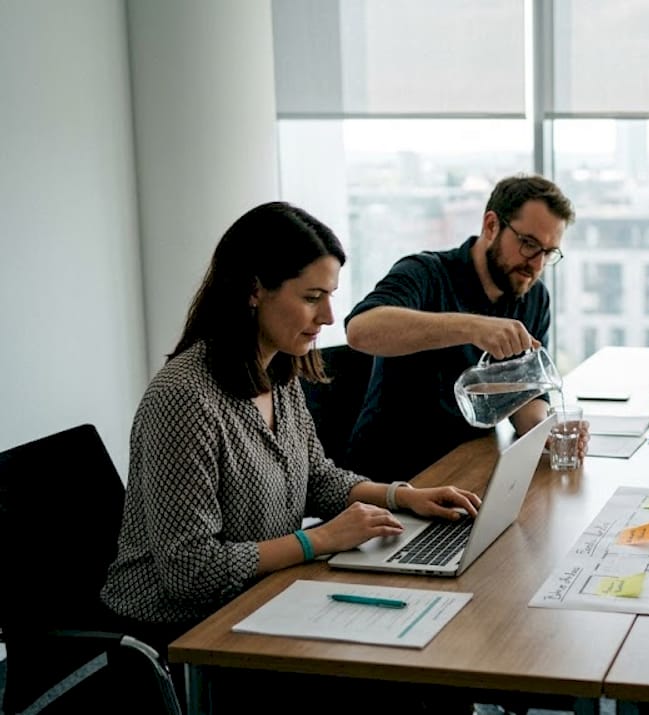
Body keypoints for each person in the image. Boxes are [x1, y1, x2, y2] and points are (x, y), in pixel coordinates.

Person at [100, 202, 481, 675]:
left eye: (331, 295)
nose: (327, 316)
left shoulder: (278, 373)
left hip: (262, 593)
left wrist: (404, 495)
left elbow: (316, 477)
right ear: (255, 289)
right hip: (182, 627)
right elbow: (189, 571)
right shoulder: (183, 399)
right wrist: (318, 540)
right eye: (312, 296)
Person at [345, 174, 588, 482]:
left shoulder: (533, 295)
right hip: (393, 477)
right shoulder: (426, 273)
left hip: (470, 463)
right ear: (491, 226)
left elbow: (527, 398)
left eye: (549, 253)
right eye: (528, 244)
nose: (536, 264)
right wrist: (473, 327)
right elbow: (360, 330)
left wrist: (548, 432)